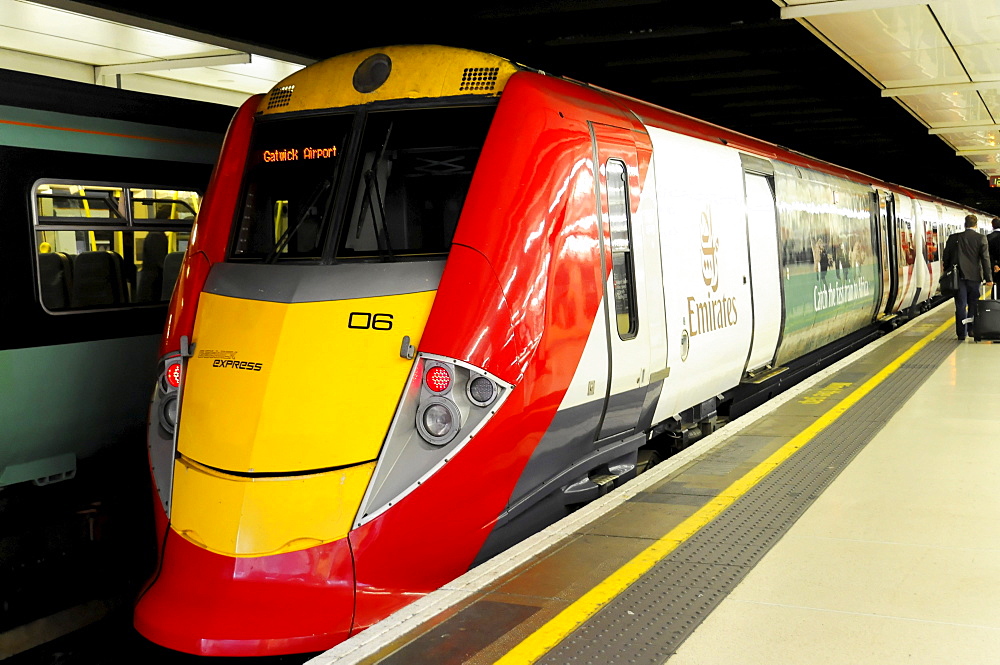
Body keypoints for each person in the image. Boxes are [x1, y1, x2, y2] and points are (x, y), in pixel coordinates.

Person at [942, 214, 993, 340]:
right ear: (976, 225)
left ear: (965, 224)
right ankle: (971, 330)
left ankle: (961, 333)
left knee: (960, 305)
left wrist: (949, 271)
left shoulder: (954, 238)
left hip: (958, 277)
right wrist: (989, 278)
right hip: (975, 278)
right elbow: (985, 259)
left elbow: (946, 257)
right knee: (973, 304)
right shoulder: (981, 238)